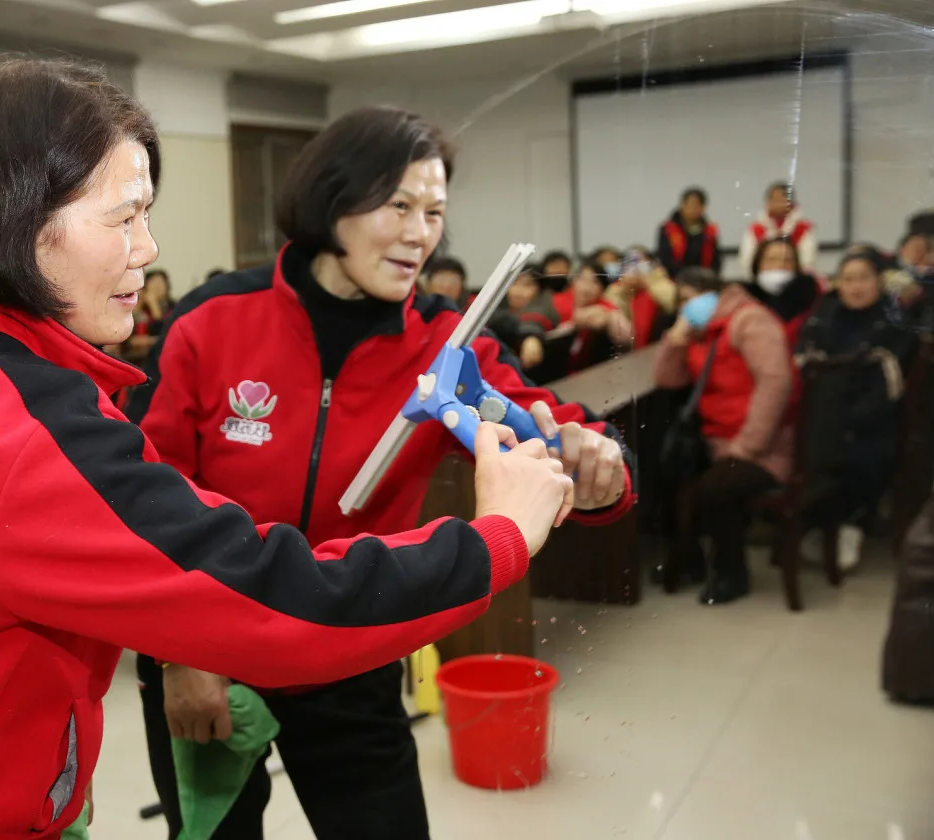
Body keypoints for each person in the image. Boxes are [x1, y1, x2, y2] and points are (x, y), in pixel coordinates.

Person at [0, 61, 577, 840]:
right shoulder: (23, 430)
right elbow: (266, 593)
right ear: (13, 221)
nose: (148, 249)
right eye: (123, 217)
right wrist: (493, 540)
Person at [126, 105, 632, 840]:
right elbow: (147, 496)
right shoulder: (212, 320)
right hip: (208, 652)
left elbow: (541, 422)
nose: (421, 233)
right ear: (333, 200)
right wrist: (176, 655)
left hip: (351, 653)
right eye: (398, 205)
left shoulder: (441, 341)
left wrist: (600, 464)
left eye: (434, 212)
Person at [653, 268, 793, 604]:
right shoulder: (702, 330)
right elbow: (666, 379)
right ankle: (688, 560)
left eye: (692, 298)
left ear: (715, 293)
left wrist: (747, 446)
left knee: (714, 490)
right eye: (681, 302)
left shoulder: (750, 321)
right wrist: (676, 337)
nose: (687, 307)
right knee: (666, 471)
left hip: (763, 446)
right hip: (716, 438)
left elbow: (776, 383)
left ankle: (733, 574)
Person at [796, 251, 913, 571]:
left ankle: (850, 524)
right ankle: (820, 525)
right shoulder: (825, 315)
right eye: (848, 279)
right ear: (838, 285)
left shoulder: (893, 321)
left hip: (870, 417)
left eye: (864, 278)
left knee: (862, 453)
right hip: (822, 415)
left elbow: (891, 383)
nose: (856, 286)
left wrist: (849, 419)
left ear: (878, 282)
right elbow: (804, 359)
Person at [553, 261, 633, 372]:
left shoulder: (605, 307)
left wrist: (607, 316)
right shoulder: (556, 301)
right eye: (582, 279)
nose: (586, 287)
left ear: (603, 289)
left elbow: (627, 338)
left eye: (595, 282)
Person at [748, 236, 821, 346]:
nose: (780, 265)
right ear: (758, 264)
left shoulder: (812, 301)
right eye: (771, 260)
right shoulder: (744, 301)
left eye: (787, 260)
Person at [488, 267, 560, 370]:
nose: (518, 291)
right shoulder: (497, 308)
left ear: (539, 289)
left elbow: (536, 319)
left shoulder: (545, 309)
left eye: (527, 285)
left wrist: (530, 336)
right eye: (514, 283)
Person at [738, 182, 818, 274]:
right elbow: (747, 259)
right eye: (773, 200)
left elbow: (808, 260)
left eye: (781, 200)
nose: (777, 204)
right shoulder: (755, 228)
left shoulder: (803, 228)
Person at [605, 247, 677, 349]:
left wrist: (647, 282)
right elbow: (610, 306)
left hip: (657, 342)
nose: (635, 268)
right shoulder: (616, 288)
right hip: (626, 347)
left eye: (640, 262)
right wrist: (626, 289)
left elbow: (671, 302)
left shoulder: (660, 281)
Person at [656, 188, 721, 277]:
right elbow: (666, 259)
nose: (694, 209)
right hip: (676, 278)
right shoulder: (668, 229)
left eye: (699, 205)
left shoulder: (709, 231)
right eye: (691, 204)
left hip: (704, 278)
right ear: (682, 205)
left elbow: (716, 260)